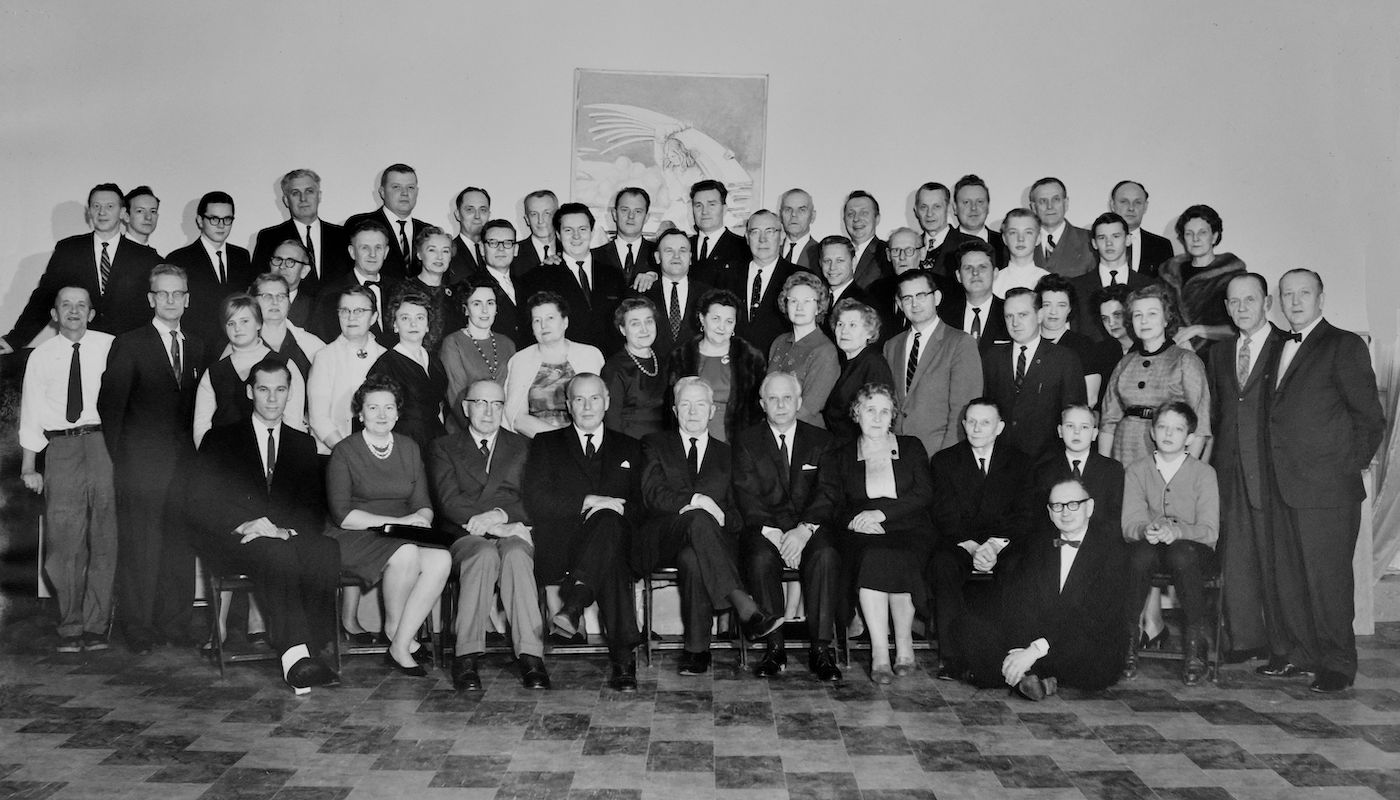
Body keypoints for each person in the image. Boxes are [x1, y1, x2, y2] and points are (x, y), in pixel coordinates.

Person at [1257, 269, 1383, 693]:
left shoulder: (1343, 344)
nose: (1295, 301)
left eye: (1304, 293)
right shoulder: (1277, 345)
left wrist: (1346, 467)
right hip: (1283, 484)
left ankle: (1338, 665)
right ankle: (1302, 655)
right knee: (1291, 577)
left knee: (1328, 580)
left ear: (1321, 298)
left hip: (1328, 489)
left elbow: (1369, 419)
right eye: (1287, 294)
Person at [187, 357, 340, 693]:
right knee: (277, 554)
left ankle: (313, 646)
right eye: (264, 389)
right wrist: (246, 524)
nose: (272, 398)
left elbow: (313, 508)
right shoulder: (221, 440)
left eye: (280, 390)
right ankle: (297, 660)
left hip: (282, 537)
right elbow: (201, 502)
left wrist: (285, 530)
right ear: (249, 392)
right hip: (235, 540)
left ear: (289, 394)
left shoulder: (302, 444)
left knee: (325, 549)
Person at [635, 377, 785, 675]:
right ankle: (742, 602)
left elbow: (738, 514)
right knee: (698, 516)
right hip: (665, 537)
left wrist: (722, 516)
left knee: (693, 558)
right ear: (675, 410)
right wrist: (699, 500)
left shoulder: (729, 454)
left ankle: (697, 651)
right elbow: (653, 495)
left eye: (700, 404)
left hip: (711, 543)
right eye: (685, 404)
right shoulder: (654, 444)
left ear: (712, 411)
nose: (692, 411)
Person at [98, 264, 206, 653]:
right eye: (163, 294)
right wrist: (126, 463)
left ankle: (175, 622)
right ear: (151, 299)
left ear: (188, 299)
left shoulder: (196, 345)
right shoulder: (129, 344)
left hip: (185, 468)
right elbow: (111, 410)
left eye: (178, 293)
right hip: (141, 468)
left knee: (179, 546)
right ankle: (139, 627)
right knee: (141, 546)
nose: (171, 300)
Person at [525, 373, 646, 691]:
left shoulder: (631, 447)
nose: (588, 405)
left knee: (610, 533)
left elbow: (642, 505)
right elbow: (536, 500)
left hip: (614, 539)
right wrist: (587, 502)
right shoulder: (546, 444)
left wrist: (614, 509)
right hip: (563, 544)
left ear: (607, 402)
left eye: (595, 398)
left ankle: (575, 603)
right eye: (579, 399)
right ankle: (623, 660)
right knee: (612, 557)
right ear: (568, 404)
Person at [807, 383, 934, 683]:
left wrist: (882, 514)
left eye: (884, 411)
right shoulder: (840, 455)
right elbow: (832, 503)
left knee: (902, 555)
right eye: (869, 410)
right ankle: (879, 651)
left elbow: (924, 493)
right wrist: (854, 520)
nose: (877, 418)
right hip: (862, 530)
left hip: (909, 525)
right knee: (873, 556)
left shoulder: (912, 446)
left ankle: (904, 649)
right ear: (856, 414)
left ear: (893, 417)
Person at [954, 478, 1126, 700]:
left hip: (1083, 640)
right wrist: (1020, 647)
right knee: (965, 627)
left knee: (1092, 658)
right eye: (1057, 506)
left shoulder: (1113, 552)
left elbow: (1095, 619)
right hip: (1039, 637)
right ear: (1049, 511)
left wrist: (1034, 651)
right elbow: (1022, 603)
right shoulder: (1038, 544)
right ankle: (1031, 677)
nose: (1065, 512)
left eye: (1073, 504)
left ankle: (1020, 674)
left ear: (1090, 507)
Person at [325, 375, 451, 676]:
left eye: (388, 408)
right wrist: (398, 523)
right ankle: (396, 630)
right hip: (353, 534)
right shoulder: (344, 451)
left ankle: (401, 639)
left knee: (441, 559)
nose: (381, 415)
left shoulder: (409, 448)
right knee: (406, 552)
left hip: (399, 534)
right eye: (373, 408)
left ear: (397, 412)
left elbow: (423, 503)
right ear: (360, 413)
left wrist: (421, 521)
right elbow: (343, 515)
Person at [430, 380, 548, 691]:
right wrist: (492, 524)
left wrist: (501, 517)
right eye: (480, 403)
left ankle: (531, 656)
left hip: (511, 527)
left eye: (497, 404)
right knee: (482, 555)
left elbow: (533, 498)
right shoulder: (444, 447)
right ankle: (466, 656)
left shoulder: (523, 446)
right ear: (465, 407)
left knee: (517, 555)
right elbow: (448, 501)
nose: (489, 411)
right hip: (464, 534)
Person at [18, 287, 117, 652]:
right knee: (64, 540)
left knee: (105, 536)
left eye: (81, 305)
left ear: (91, 313)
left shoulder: (111, 346)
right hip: (61, 447)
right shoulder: (41, 356)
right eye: (66, 305)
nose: (74, 311)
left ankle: (96, 625)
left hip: (103, 443)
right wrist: (30, 465)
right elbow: (30, 410)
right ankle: (71, 623)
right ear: (54, 313)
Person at [733, 372, 841, 681]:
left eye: (787, 398)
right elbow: (746, 494)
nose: (781, 405)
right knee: (759, 558)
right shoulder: (746, 442)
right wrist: (779, 535)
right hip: (766, 528)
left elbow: (829, 491)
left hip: (811, 526)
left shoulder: (822, 440)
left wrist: (803, 531)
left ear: (799, 402)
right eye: (773, 399)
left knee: (826, 556)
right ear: (762, 403)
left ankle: (821, 650)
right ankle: (775, 648)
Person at [1205, 273, 1281, 661]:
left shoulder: (1287, 346)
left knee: (1278, 558)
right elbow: (1218, 411)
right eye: (1234, 302)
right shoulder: (1219, 352)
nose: (1241, 308)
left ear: (1266, 303)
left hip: (1274, 470)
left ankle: (1285, 643)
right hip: (1229, 468)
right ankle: (1245, 639)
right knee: (1235, 555)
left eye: (1249, 300)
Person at [928, 398, 1031, 680]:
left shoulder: (1020, 462)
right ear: (963, 424)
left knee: (1020, 568)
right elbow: (943, 514)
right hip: (962, 543)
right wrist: (974, 548)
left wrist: (994, 546)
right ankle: (953, 659)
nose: (976, 428)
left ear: (999, 427)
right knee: (942, 566)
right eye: (971, 421)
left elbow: (1023, 514)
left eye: (985, 422)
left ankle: (1011, 651)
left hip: (1003, 545)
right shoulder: (944, 461)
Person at [1122, 401, 1219, 685]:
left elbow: (1209, 530)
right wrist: (1146, 529)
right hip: (1151, 548)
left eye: (1177, 429)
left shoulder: (1204, 473)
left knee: (1180, 555)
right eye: (1162, 427)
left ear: (1189, 437)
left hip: (1192, 550)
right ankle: (1128, 640)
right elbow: (1129, 523)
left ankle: (1194, 645)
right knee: (1137, 555)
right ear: (1152, 432)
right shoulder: (1137, 470)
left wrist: (1177, 531)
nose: (1168, 434)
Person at [2, 183, 158, 352]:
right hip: (80, 350)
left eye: (110, 206)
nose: (102, 212)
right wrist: (14, 340)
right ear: (89, 211)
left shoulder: (145, 257)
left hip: (129, 352)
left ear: (122, 212)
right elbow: (44, 298)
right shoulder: (69, 249)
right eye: (96, 206)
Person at [1099, 284, 1211, 466]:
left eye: (1152, 314)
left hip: (1168, 455)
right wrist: (1104, 468)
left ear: (1166, 319)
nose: (1144, 321)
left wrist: (1184, 471)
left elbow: (1200, 424)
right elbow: (1108, 422)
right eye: (1137, 315)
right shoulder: (1125, 363)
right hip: (1124, 452)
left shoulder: (1186, 360)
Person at [883, 269, 982, 455]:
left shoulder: (960, 343)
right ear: (899, 303)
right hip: (896, 453)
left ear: (936, 297)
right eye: (907, 298)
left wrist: (947, 458)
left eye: (921, 295)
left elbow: (963, 409)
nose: (914, 304)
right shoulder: (891, 346)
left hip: (938, 453)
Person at [981, 288, 1087, 460]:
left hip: (1047, 461)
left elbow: (1074, 415)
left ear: (1039, 316)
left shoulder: (1064, 359)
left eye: (1022, 315)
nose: (1015, 323)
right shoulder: (992, 357)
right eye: (1009, 316)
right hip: (1001, 461)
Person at [193, 294, 307, 446]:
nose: (237, 328)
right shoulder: (214, 372)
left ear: (259, 323)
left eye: (244, 321)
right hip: (225, 457)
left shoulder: (285, 364)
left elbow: (293, 420)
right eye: (231, 323)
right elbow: (201, 426)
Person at [521, 203, 626, 353]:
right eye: (568, 230)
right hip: (563, 366)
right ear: (558, 234)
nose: (576, 236)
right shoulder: (539, 277)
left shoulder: (613, 275)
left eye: (582, 229)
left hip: (610, 366)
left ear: (592, 231)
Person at [668, 288, 766, 443]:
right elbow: (671, 407)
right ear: (702, 318)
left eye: (729, 321)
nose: (722, 327)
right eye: (715, 319)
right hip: (691, 439)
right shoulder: (681, 356)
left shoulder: (751, 358)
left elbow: (759, 409)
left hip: (740, 441)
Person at [502, 291, 605, 438]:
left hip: (587, 440)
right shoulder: (520, 360)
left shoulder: (590, 355)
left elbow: (602, 407)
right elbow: (516, 418)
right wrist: (562, 441)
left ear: (565, 322)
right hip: (537, 443)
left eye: (550, 318)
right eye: (537, 320)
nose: (543, 325)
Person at [166, 191, 254, 351]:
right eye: (214, 219)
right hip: (196, 346)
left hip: (236, 345)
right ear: (200, 221)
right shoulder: (179, 259)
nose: (221, 225)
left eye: (227, 219)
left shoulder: (241, 256)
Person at [306, 286, 387, 456]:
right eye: (345, 311)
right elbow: (318, 418)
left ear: (373, 317)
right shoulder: (324, 357)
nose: (351, 317)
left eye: (359, 311)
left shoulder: (386, 357)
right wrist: (348, 454)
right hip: (335, 453)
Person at [365, 291, 448, 454]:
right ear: (395, 325)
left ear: (428, 325)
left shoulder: (435, 361)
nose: (413, 324)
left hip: (437, 440)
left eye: (420, 318)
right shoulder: (385, 365)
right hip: (404, 443)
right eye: (405, 318)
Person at [1159, 204, 1246, 352]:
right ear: (1182, 238)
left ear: (1215, 236)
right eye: (1189, 233)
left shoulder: (1233, 277)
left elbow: (1242, 325)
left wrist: (1198, 330)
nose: (1195, 239)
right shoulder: (1169, 274)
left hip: (1219, 355)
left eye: (1202, 232)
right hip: (1174, 354)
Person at [1030, 405, 1125, 539]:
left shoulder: (1112, 470)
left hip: (1100, 545)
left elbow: (1114, 517)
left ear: (1094, 434)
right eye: (1070, 426)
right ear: (1060, 431)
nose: (1076, 432)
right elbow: (1040, 520)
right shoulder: (1044, 471)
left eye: (1084, 427)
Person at [717, 209, 801, 356]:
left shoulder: (798, 278)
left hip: (780, 367)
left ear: (781, 237)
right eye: (755, 232)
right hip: (734, 366)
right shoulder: (728, 275)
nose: (763, 239)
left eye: (770, 231)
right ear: (747, 238)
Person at [441, 276, 517, 432]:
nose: (484, 310)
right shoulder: (453, 342)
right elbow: (456, 397)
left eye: (490, 303)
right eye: (476, 304)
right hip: (465, 430)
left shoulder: (507, 344)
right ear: (465, 309)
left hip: (504, 428)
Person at [251, 168, 349, 288]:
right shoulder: (269, 238)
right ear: (286, 200)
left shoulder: (341, 235)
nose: (303, 198)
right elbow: (259, 283)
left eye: (309, 191)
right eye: (295, 193)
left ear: (319, 196)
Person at [767, 271, 839, 429]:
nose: (799, 307)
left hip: (804, 434)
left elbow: (810, 408)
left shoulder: (825, 351)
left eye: (807, 301)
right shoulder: (779, 342)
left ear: (818, 307)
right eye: (793, 301)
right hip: (772, 429)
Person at [312, 221, 401, 346]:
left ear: (386, 252)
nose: (372, 254)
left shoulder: (400, 289)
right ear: (352, 252)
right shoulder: (330, 294)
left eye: (378, 247)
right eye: (365, 248)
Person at [1070, 212, 1152, 343]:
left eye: (1116, 236)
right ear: (1094, 243)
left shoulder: (1148, 286)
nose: (1109, 243)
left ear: (1128, 240)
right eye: (1102, 237)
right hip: (1092, 360)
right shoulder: (1076, 286)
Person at [252, 271, 325, 413]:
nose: (275, 302)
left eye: (281, 296)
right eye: (267, 296)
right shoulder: (241, 346)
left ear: (289, 302)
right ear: (254, 301)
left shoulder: (313, 346)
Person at [823, 299, 894, 442]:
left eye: (852, 325)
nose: (844, 331)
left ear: (869, 332)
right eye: (840, 324)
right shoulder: (842, 362)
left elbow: (878, 419)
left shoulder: (873, 363)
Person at [343, 163, 428, 280]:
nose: (405, 193)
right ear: (382, 192)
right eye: (396, 187)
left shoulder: (427, 232)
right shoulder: (359, 224)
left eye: (410, 187)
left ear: (417, 191)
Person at [601, 297, 669, 439]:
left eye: (649, 321)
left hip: (664, 445)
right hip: (630, 445)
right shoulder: (614, 368)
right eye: (635, 324)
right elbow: (611, 421)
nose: (644, 329)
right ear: (622, 329)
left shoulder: (664, 360)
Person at [643, 229, 709, 358]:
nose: (676, 256)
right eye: (669, 250)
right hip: (653, 373)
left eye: (682, 250)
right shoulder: (643, 294)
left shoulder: (708, 295)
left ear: (690, 257)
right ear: (657, 257)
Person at [399, 226, 466, 354]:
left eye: (445, 251)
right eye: (432, 250)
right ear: (419, 254)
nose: (439, 257)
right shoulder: (403, 290)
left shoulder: (456, 294)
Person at [938, 239, 1009, 352]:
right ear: (958, 276)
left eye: (982, 267)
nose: (975, 273)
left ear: (995, 273)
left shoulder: (1009, 313)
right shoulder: (943, 317)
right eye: (968, 268)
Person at [473, 219, 528, 347]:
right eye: (493, 243)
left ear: (515, 249)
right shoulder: (471, 286)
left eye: (508, 243)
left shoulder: (527, 284)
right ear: (481, 248)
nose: (501, 248)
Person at [594, 187, 658, 290]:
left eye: (638, 211)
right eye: (624, 210)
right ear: (614, 214)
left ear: (646, 217)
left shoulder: (661, 254)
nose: (631, 216)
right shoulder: (595, 256)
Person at [1028, 177, 1094, 278]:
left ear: (1066, 203)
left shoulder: (1089, 240)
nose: (1050, 206)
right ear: (1033, 207)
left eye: (1056, 199)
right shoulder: (1023, 242)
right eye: (1043, 201)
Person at [688, 179, 749, 285]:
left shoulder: (743, 247)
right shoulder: (684, 246)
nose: (704, 211)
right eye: (698, 205)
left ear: (724, 209)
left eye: (711, 205)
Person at [1108, 180, 1173, 278]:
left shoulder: (1161, 246)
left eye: (1137, 202)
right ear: (1113, 205)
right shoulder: (1097, 243)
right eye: (1124, 202)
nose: (1131, 208)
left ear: (1145, 206)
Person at [913, 181, 976, 280]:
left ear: (949, 208)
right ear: (916, 210)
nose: (929, 213)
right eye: (923, 207)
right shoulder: (909, 248)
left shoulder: (971, 245)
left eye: (936, 206)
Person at [1087, 284, 1136, 408]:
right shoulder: (1100, 351)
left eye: (1117, 315)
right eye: (1105, 318)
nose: (1111, 323)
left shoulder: (1147, 346)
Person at [990, 208, 1049, 297]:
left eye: (1028, 232)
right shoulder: (994, 283)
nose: (1020, 239)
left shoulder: (1048, 282)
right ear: (1004, 239)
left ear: (1038, 238)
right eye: (1013, 232)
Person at [953, 174, 1007, 264]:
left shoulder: (1005, 243)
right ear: (955, 208)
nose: (973, 208)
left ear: (988, 206)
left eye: (980, 202)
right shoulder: (944, 245)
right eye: (966, 202)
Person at [843, 190, 890, 289]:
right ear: (844, 220)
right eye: (851, 214)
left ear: (877, 219)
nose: (856, 219)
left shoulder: (886, 253)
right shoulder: (837, 254)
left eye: (864, 213)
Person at [266, 240, 318, 329]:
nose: (282, 266)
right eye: (278, 260)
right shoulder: (252, 302)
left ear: (304, 271)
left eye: (290, 261)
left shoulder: (316, 308)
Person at [511, 189, 561, 279]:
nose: (540, 220)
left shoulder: (568, 251)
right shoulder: (513, 253)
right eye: (534, 214)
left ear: (557, 216)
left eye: (547, 213)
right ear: (527, 219)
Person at [447, 186, 491, 282]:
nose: (477, 216)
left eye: (483, 210)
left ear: (489, 215)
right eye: (470, 210)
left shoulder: (499, 252)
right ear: (457, 214)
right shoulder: (446, 254)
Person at [778, 188, 821, 269]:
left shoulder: (821, 254)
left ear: (812, 216)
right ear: (780, 215)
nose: (794, 214)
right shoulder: (771, 252)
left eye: (802, 210)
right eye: (788, 209)